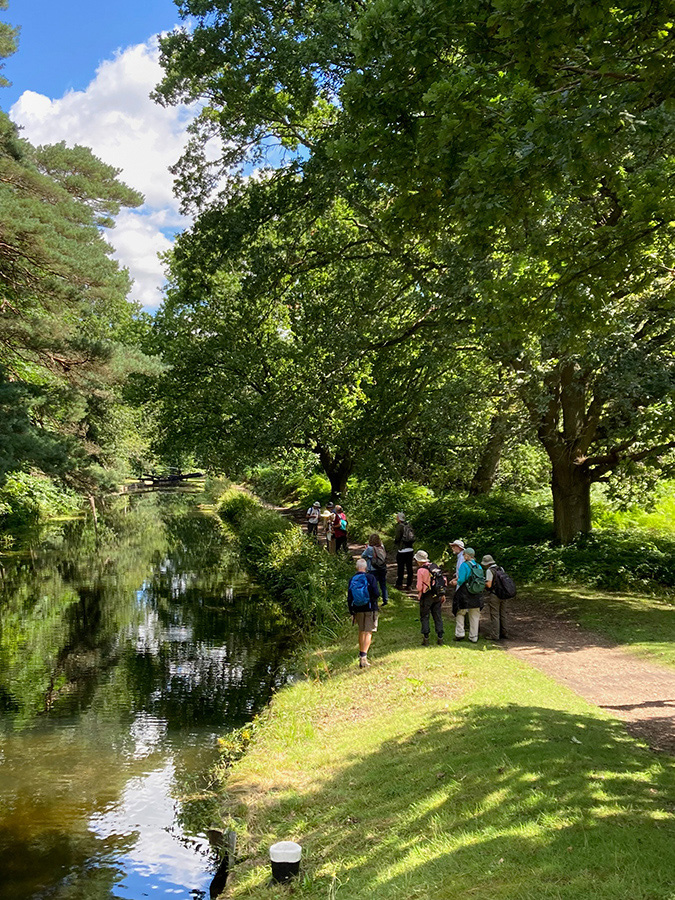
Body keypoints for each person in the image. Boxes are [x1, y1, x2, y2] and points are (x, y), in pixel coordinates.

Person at [347, 558, 382, 668]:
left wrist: (351, 610)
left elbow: (349, 597)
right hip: (370, 608)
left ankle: (361, 653)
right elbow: (376, 593)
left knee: (361, 631)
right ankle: (364, 657)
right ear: (365, 567)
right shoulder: (370, 578)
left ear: (356, 567)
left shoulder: (352, 579)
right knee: (368, 631)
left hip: (357, 609)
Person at [414, 550, 446, 646]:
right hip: (437, 595)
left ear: (419, 560)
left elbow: (419, 586)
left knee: (425, 616)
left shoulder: (421, 570)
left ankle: (426, 638)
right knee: (437, 616)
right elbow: (443, 580)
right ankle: (440, 637)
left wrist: (418, 591)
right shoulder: (435, 567)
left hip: (426, 595)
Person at [453, 547, 484, 642]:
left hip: (465, 592)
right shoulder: (478, 566)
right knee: (475, 615)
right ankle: (474, 637)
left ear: (467, 555)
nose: (463, 556)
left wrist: (455, 582)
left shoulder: (464, 565)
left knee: (460, 612)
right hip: (476, 593)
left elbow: (461, 580)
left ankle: (460, 633)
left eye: (464, 554)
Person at [481, 554, 512, 640]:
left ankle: (495, 635)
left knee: (495, 615)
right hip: (504, 594)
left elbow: (489, 584)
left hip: (495, 595)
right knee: (503, 614)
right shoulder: (501, 569)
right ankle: (504, 632)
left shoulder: (489, 571)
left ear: (486, 564)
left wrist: (482, 583)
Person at [361, 533, 388, 605]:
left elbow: (363, 556)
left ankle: (374, 600)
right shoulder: (382, 546)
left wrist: (369, 556)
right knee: (383, 584)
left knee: (373, 585)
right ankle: (385, 599)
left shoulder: (369, 548)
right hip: (382, 568)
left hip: (373, 569)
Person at [394, 512, 414, 590]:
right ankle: (409, 584)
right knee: (409, 567)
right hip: (410, 549)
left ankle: (399, 583)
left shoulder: (399, 526)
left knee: (401, 567)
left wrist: (396, 543)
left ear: (399, 518)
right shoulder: (409, 525)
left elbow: (397, 538)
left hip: (402, 550)